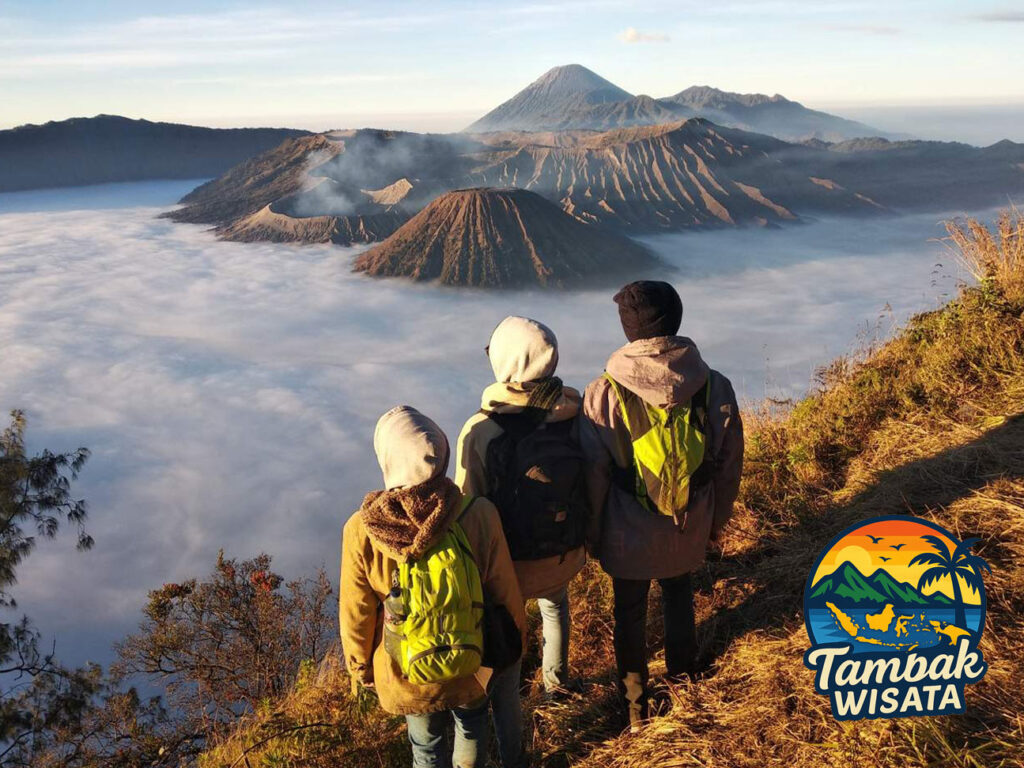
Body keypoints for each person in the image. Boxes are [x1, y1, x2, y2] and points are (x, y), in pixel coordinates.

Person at [579, 281, 744, 731]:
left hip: (625, 532)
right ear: (676, 319)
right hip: (688, 523)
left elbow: (594, 476)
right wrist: (717, 521)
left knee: (629, 614)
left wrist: (592, 535)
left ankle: (636, 706)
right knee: (678, 596)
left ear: (628, 329)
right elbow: (728, 465)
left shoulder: (601, 394)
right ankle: (684, 677)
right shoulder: (715, 385)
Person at [340, 406, 527, 768]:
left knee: (426, 748)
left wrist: (362, 670)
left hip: (406, 669)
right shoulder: (478, 513)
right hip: (472, 656)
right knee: (472, 728)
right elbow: (505, 591)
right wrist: (514, 643)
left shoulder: (362, 530)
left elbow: (356, 613)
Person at [455, 316, 588, 767]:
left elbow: (466, 507)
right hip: (564, 554)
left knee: (506, 664)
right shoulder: (576, 413)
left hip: (507, 567)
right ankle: (558, 686)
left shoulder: (482, 429)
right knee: (556, 608)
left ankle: (511, 752)